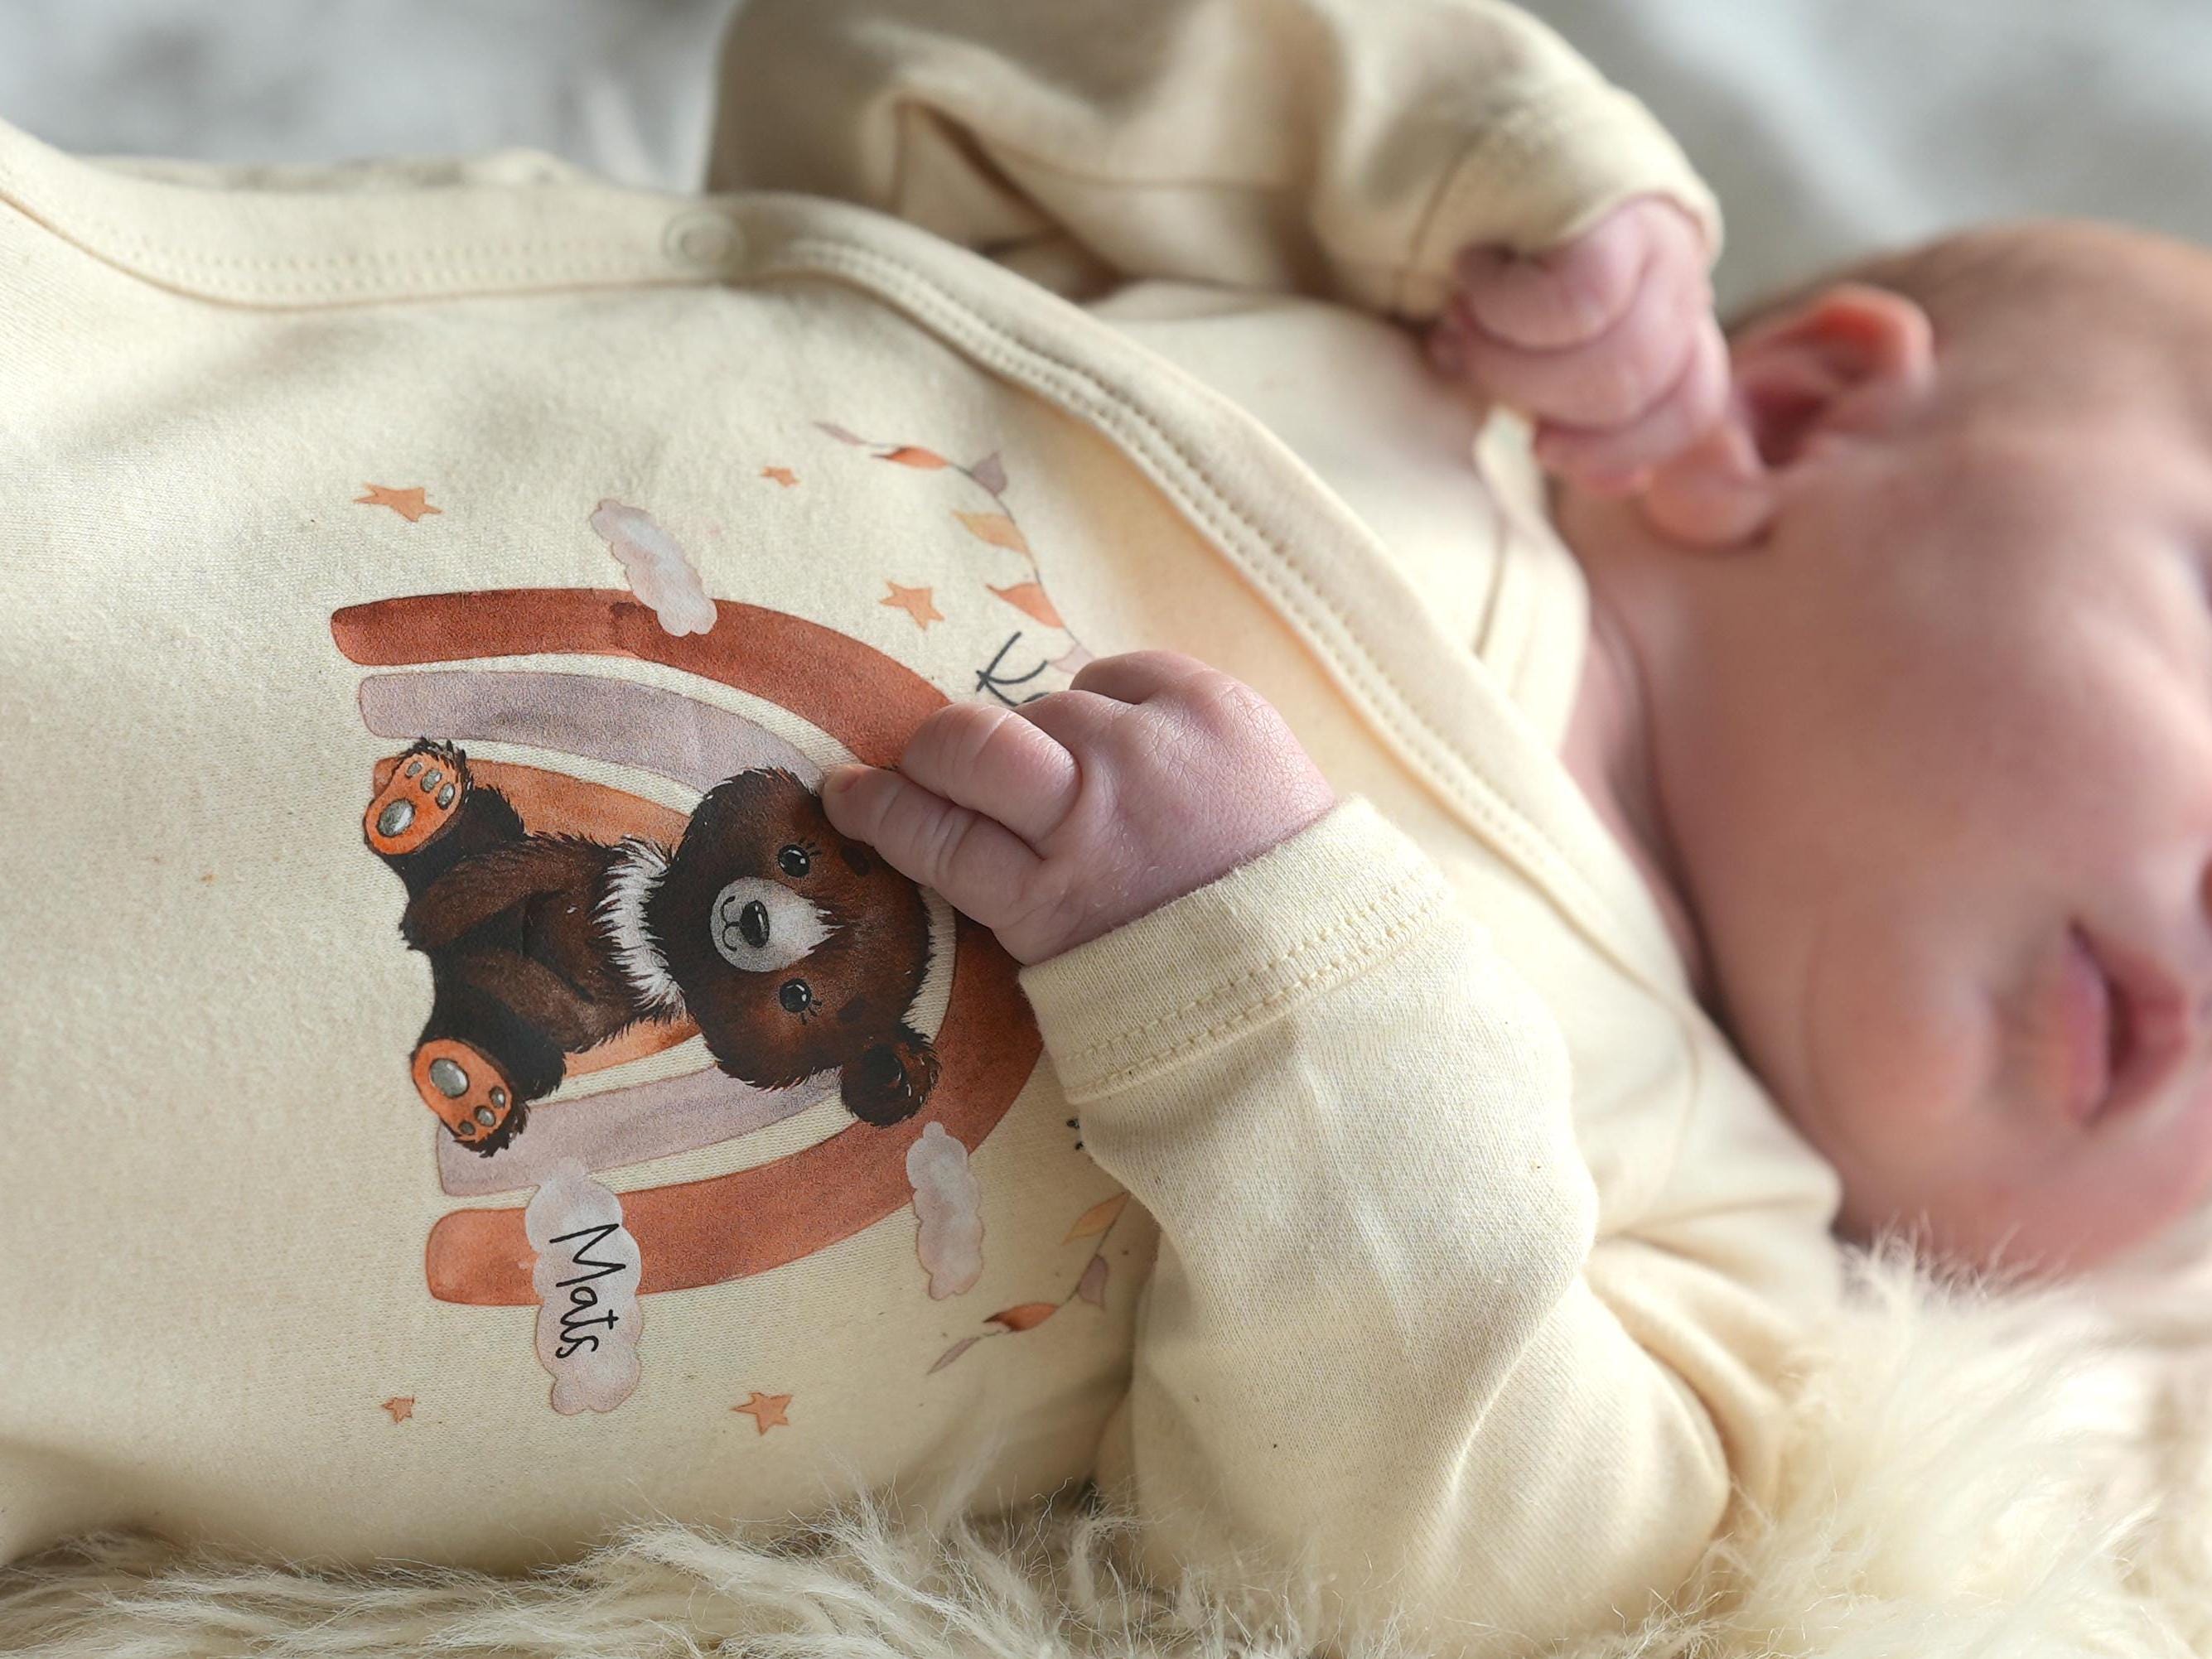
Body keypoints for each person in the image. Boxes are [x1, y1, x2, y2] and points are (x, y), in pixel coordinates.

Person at [5, 2, 2188, 1655]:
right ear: (1803, 408)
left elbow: (1436, 1569)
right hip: (106, 479)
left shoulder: (1700, 1226)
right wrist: (1450, 131)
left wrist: (1291, 1005)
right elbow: (881, 55)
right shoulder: (1378, 348)